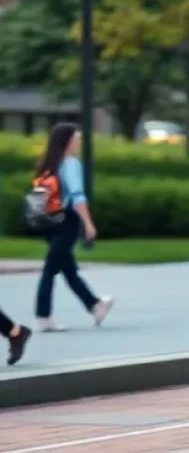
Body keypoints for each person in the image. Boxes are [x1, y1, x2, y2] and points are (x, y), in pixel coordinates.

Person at [34, 123, 114, 331]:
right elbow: (77, 196)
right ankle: (43, 316)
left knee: (68, 269)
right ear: (68, 141)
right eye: (76, 138)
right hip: (67, 220)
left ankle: (95, 305)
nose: (78, 142)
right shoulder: (70, 164)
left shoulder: (47, 163)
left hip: (48, 221)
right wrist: (88, 223)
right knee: (51, 269)